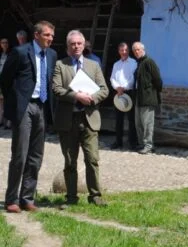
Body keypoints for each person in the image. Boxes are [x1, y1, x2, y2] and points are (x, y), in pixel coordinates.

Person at [0, 21, 57, 213]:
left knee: (36, 155)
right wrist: (16, 101)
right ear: (36, 35)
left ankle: (27, 198)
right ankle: (12, 199)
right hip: (24, 106)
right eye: (47, 35)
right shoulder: (20, 52)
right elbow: (5, 79)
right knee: (20, 154)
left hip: (42, 106)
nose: (50, 38)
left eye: (52, 35)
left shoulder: (52, 54)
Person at [52, 30, 109, 207]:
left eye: (79, 43)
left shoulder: (94, 65)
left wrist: (91, 98)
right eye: (72, 44)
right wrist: (76, 96)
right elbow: (56, 89)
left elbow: (104, 89)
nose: (76, 46)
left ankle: (95, 196)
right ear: (68, 46)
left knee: (92, 159)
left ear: (84, 45)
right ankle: (71, 197)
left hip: (89, 118)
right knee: (70, 161)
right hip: (68, 120)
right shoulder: (61, 65)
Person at [131, 41, 162, 154]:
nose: (136, 52)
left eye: (138, 49)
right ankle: (141, 144)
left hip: (147, 98)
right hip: (138, 98)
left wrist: (152, 92)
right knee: (138, 123)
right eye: (134, 50)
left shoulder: (149, 62)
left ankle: (148, 145)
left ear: (143, 50)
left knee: (147, 123)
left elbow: (158, 80)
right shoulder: (139, 63)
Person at [109, 42, 138, 150]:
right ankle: (118, 141)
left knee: (131, 119)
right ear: (119, 51)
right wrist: (117, 88)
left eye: (126, 50)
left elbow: (133, 78)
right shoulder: (116, 64)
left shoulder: (133, 63)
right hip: (118, 93)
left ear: (128, 51)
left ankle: (132, 142)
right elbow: (112, 78)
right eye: (122, 50)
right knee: (118, 119)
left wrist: (124, 87)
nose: (124, 52)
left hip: (129, 92)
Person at [0, 38, 10, 128]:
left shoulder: (11, 54)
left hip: (8, 80)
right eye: (3, 43)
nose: (4, 44)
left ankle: (8, 122)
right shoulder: (0, 55)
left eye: (6, 42)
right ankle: (1, 121)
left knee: (7, 101)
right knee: (1, 101)